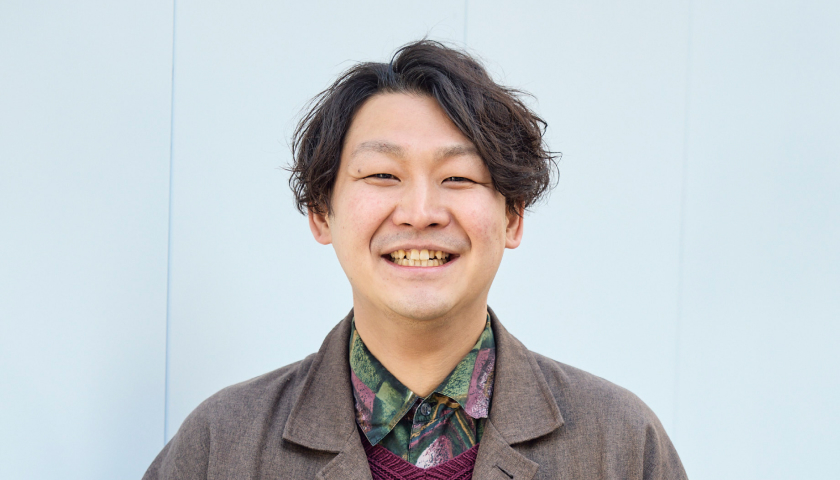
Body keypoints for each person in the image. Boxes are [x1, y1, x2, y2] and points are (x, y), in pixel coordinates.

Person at [143, 40, 687, 480]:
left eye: (459, 177)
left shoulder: (619, 444)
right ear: (321, 213)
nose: (421, 213)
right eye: (383, 174)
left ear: (513, 217)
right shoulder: (221, 445)